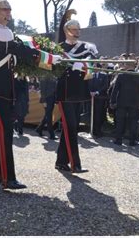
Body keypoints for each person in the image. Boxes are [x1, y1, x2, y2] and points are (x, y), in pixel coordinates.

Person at [0, 0, 61, 189]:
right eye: (4, 9)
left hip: (3, 89)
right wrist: (49, 58)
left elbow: (16, 52)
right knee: (5, 130)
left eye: (9, 9)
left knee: (3, 130)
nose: (8, 12)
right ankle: (8, 178)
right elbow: (21, 50)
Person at [55, 9, 98, 173]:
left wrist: (85, 64)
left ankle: (61, 162)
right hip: (65, 93)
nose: (78, 32)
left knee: (70, 128)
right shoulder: (59, 48)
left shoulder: (87, 47)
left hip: (80, 91)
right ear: (67, 31)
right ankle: (75, 164)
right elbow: (54, 68)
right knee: (71, 128)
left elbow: (92, 63)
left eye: (79, 29)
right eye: (74, 29)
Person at [110, 62, 139, 146]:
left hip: (122, 102)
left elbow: (115, 90)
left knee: (120, 121)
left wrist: (112, 101)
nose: (124, 66)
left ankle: (118, 139)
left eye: (125, 65)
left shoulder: (121, 76)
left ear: (128, 66)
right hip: (135, 102)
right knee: (133, 122)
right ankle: (132, 141)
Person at [88, 68, 110, 138]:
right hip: (92, 98)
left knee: (98, 115)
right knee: (92, 114)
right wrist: (90, 92)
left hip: (100, 98)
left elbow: (105, 86)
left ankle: (98, 131)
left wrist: (97, 92)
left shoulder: (104, 76)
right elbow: (88, 84)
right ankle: (92, 130)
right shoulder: (90, 75)